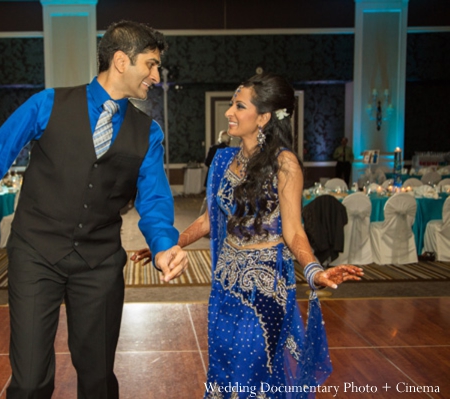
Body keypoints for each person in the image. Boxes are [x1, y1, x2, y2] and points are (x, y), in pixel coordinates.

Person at [0, 21, 188, 399]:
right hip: (35, 254)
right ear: (122, 61)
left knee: (97, 378)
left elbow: (154, 199)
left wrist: (163, 245)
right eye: (151, 65)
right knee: (28, 381)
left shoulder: (148, 132)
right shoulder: (46, 104)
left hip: (100, 263)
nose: (156, 76)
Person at [136, 73, 363, 398]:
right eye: (231, 103)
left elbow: (294, 230)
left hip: (263, 291)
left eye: (239, 105)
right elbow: (207, 220)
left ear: (265, 117)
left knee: (253, 372)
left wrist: (314, 270)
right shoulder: (224, 161)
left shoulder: (285, 164)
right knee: (224, 370)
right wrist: (167, 245)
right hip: (225, 287)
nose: (229, 112)